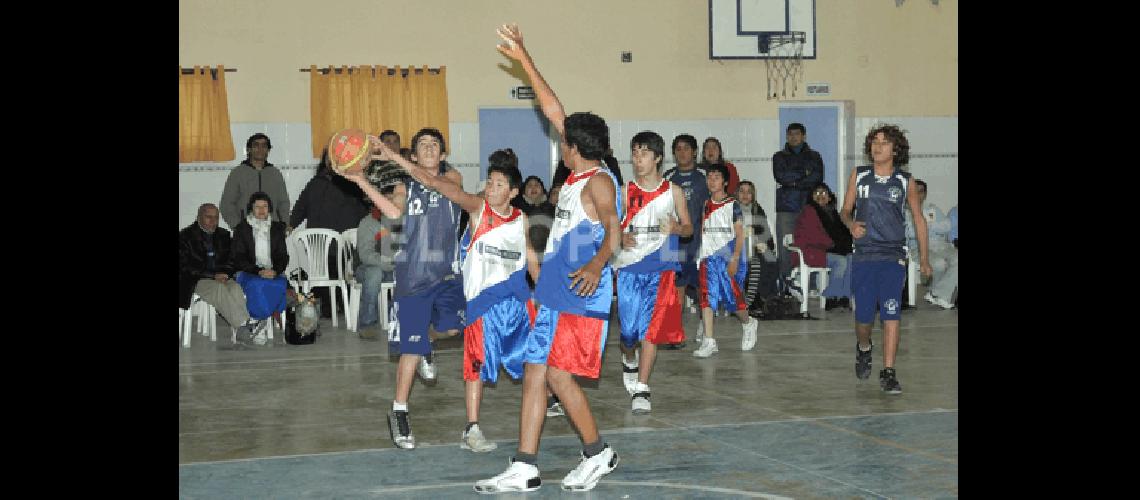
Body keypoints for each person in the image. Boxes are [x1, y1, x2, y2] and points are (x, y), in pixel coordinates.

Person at [473, 23, 621, 494]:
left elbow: (616, 235)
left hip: (582, 293)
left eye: (564, 139)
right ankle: (524, 466)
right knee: (537, 373)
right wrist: (525, 58)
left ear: (574, 148)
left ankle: (598, 453)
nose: (559, 140)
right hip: (556, 290)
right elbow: (553, 107)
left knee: (557, 374)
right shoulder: (577, 175)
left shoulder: (598, 181)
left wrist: (596, 265)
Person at [397, 146, 542, 454]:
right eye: (489, 182)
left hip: (517, 302)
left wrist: (542, 293)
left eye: (499, 185)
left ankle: (547, 406)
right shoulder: (478, 210)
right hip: (482, 305)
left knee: (536, 361)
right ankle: (471, 428)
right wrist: (397, 157)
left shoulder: (521, 220)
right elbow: (438, 184)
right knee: (475, 368)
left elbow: (530, 258)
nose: (491, 188)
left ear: (514, 192)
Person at [840, 124, 932, 395]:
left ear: (896, 149)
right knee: (865, 317)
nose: (878, 146)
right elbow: (845, 210)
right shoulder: (859, 175)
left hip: (893, 256)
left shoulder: (906, 181)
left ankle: (889, 372)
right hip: (864, 255)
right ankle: (864, 348)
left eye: (884, 142)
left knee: (891, 312)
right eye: (874, 141)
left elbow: (917, 219)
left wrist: (924, 258)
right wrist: (850, 224)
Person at [613, 131, 692, 414]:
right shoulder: (624, 191)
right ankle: (629, 360)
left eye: (644, 153)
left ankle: (643, 389)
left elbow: (689, 228)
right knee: (628, 334)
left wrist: (677, 229)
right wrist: (619, 237)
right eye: (634, 153)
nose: (638, 159)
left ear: (657, 157)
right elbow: (610, 227)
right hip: (629, 268)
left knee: (651, 331)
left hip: (662, 269)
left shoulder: (673, 192)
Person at [289, 149, 370, 319]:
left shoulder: (353, 182)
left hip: (347, 246)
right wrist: (288, 226)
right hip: (319, 246)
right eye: (329, 157)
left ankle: (348, 309)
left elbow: (365, 211)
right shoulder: (315, 183)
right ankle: (328, 308)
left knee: (348, 276)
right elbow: (300, 209)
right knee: (322, 281)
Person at [691, 164, 760, 358]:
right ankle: (709, 340)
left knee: (733, 301)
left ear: (725, 182)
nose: (712, 181)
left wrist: (735, 259)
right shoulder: (706, 204)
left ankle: (748, 323)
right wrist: (701, 255)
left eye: (716, 177)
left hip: (728, 257)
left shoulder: (733, 205)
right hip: (708, 259)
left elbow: (740, 236)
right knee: (706, 298)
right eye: (709, 177)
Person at [179, 203, 265, 348]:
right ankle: (245, 325)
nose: (213, 222)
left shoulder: (224, 235)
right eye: (208, 217)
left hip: (221, 276)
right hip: (196, 279)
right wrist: (213, 275)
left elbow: (232, 260)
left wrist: (225, 273)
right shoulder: (185, 236)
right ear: (199, 217)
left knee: (235, 288)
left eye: (216, 218)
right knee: (218, 289)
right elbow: (185, 267)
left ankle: (240, 331)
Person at [661, 134, 709, 347]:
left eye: (686, 148)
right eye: (678, 149)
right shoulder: (668, 177)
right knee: (676, 287)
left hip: (701, 242)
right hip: (676, 243)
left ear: (695, 152)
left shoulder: (705, 176)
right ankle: (674, 333)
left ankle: (707, 328)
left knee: (702, 288)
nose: (682, 153)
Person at [231, 192, 291, 345]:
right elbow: (239, 257)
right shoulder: (242, 228)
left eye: (264, 206)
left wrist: (275, 271)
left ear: (270, 208)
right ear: (251, 209)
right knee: (257, 285)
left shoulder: (277, 228)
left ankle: (256, 321)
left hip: (272, 272)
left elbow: (282, 256)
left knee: (279, 284)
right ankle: (260, 321)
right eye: (257, 207)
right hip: (249, 272)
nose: (261, 210)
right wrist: (258, 271)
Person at [354, 181, 408, 341]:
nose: (392, 203)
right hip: (369, 268)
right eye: (388, 199)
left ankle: (418, 320)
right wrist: (391, 261)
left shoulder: (405, 220)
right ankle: (367, 324)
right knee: (374, 273)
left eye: (396, 200)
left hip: (396, 269)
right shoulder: (369, 223)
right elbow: (366, 255)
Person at [772, 123, 824, 281]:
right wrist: (804, 173)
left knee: (811, 244)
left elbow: (817, 178)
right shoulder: (779, 156)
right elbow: (781, 176)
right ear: (787, 136)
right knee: (785, 246)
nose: (793, 137)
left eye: (797, 134)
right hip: (786, 208)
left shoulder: (815, 156)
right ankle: (786, 283)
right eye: (790, 134)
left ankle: (811, 284)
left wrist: (793, 181)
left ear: (804, 136)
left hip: (809, 207)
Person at [790, 183, 853, 311]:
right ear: (811, 197)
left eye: (824, 193)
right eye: (816, 193)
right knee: (841, 261)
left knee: (851, 258)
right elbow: (815, 236)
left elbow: (844, 234)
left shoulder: (833, 213)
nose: (820, 196)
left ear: (830, 197)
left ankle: (843, 297)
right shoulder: (809, 211)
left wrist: (845, 247)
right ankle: (832, 298)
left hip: (826, 250)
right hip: (810, 252)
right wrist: (835, 245)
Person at [220, 133, 292, 230]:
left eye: (264, 146)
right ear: (249, 149)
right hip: (246, 230)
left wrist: (284, 224)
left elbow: (284, 203)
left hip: (272, 229)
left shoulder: (275, 173)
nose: (260, 149)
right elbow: (226, 204)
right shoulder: (238, 173)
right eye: (256, 145)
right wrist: (238, 227)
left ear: (268, 150)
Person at [905, 180, 956, 310]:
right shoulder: (904, 211)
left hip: (940, 244)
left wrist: (928, 226)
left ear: (925, 194)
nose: (918, 194)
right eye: (914, 191)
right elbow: (909, 233)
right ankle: (938, 294)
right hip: (918, 247)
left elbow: (947, 226)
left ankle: (937, 293)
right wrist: (925, 227)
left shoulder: (932, 209)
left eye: (921, 192)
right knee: (939, 263)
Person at [736, 180, 779, 308]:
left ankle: (765, 298)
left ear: (753, 195)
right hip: (736, 250)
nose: (745, 195)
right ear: (736, 194)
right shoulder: (730, 211)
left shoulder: (758, 210)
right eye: (742, 191)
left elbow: (769, 239)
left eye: (749, 192)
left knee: (771, 261)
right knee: (755, 263)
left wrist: (763, 244)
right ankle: (755, 300)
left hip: (755, 249)